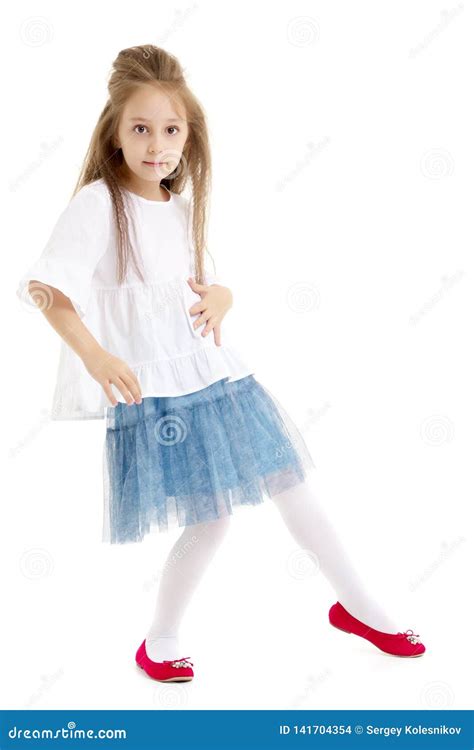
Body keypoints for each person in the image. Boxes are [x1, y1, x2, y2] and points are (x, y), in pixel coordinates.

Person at [16, 44, 425, 684]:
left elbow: (202, 282)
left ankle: (359, 606)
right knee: (213, 517)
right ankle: (161, 639)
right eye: (141, 129)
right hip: (162, 389)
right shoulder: (99, 205)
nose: (157, 145)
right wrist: (94, 355)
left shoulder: (177, 205)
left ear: (190, 133)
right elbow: (45, 289)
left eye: (171, 130)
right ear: (115, 132)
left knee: (288, 479)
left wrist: (226, 294)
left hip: (216, 375)